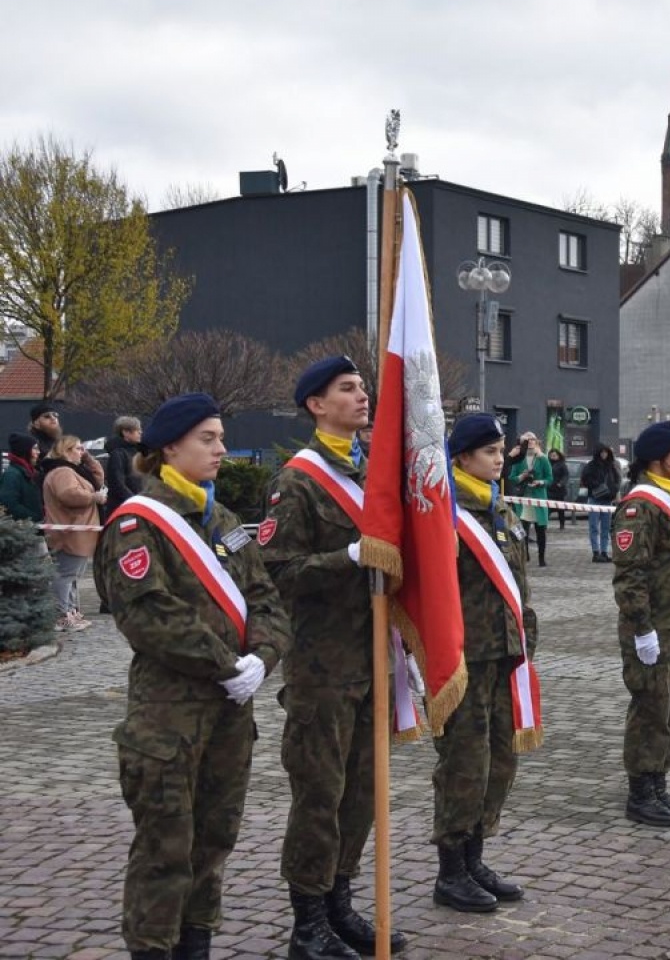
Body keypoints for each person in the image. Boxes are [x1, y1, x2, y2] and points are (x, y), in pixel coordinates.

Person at [92, 392, 289, 960]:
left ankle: (195, 944)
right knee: (166, 848)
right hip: (168, 720)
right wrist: (226, 665)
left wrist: (262, 659)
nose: (221, 449)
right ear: (169, 448)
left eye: (221, 438)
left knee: (214, 841)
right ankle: (153, 948)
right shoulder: (138, 523)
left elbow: (267, 599)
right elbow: (149, 616)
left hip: (230, 715)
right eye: (208, 439)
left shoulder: (223, 521)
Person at [261, 356, 406, 960]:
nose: (362, 396)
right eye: (347, 389)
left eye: (363, 387)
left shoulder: (374, 472)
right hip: (322, 667)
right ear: (316, 405)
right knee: (320, 794)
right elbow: (277, 572)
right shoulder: (297, 481)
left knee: (362, 792)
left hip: (373, 657)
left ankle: (341, 900)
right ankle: (309, 921)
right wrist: (346, 558)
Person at [432, 413, 540, 913]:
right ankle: (451, 868)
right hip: (465, 660)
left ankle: (476, 856)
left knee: (500, 758)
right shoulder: (445, 513)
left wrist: (527, 638)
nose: (500, 460)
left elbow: (520, 586)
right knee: (464, 763)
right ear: (462, 459)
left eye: (501, 451)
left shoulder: (501, 510)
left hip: (505, 655)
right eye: (490, 452)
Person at [612, 421, 670, 827]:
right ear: (657, 458)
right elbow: (630, 574)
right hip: (655, 626)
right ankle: (641, 792)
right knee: (652, 708)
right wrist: (642, 628)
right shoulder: (641, 506)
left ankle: (659, 783)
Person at [41, 435, 105, 632]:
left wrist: (88, 458)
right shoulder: (63, 472)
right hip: (70, 532)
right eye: (78, 448)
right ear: (66, 451)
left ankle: (69, 611)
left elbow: (97, 479)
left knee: (71, 575)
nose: (81, 452)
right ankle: (62, 615)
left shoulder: (70, 470)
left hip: (75, 531)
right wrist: (94, 497)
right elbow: (69, 495)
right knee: (66, 575)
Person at [506, 432, 551, 567]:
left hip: (538, 498)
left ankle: (541, 558)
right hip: (523, 498)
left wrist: (540, 482)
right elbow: (511, 477)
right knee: (522, 530)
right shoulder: (519, 458)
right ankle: (525, 555)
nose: (530, 442)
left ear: (537, 442)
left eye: (532, 439)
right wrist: (522, 476)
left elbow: (550, 478)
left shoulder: (542, 459)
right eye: (527, 440)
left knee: (540, 530)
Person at [581, 446, 622, 563]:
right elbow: (585, 479)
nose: (604, 455)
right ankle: (596, 552)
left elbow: (617, 480)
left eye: (606, 453)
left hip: (607, 499)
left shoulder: (611, 466)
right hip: (594, 498)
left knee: (606, 527)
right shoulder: (591, 465)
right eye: (602, 452)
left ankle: (604, 552)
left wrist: (613, 490)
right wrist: (597, 485)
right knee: (594, 526)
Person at [105, 416, 145, 515]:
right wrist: (135, 501)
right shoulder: (117, 454)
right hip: (123, 509)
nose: (140, 432)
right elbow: (117, 484)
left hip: (138, 506)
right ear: (126, 432)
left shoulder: (138, 452)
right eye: (137, 430)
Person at [0, 432, 43, 522]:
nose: (38, 452)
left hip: (29, 527)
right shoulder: (12, 474)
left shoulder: (29, 474)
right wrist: (35, 517)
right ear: (25, 450)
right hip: (21, 529)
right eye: (35, 448)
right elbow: (9, 504)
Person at [547, 449, 570, 529]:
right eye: (551, 455)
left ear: (558, 456)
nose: (553, 457)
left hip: (559, 490)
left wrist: (561, 483)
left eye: (554, 455)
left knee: (560, 509)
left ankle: (562, 524)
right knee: (548, 508)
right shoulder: (548, 464)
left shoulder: (562, 464)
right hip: (549, 489)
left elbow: (566, 475)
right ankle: (544, 524)